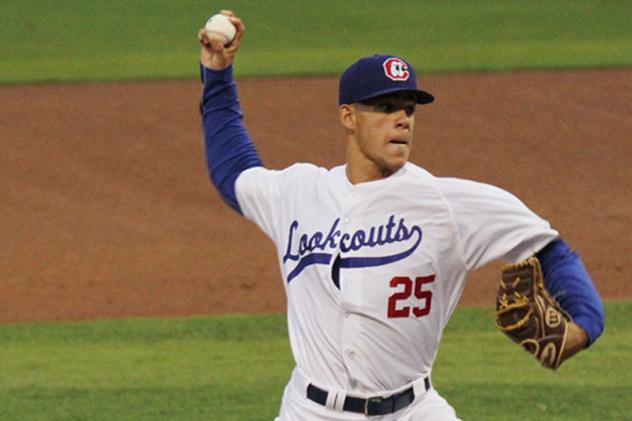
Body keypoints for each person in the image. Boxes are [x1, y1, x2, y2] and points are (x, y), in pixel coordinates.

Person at [197, 11, 604, 420]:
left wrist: (582, 328)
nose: (402, 119)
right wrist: (217, 75)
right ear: (348, 116)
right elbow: (232, 170)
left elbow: (551, 251)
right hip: (310, 410)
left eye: (409, 108)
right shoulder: (299, 193)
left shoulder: (448, 203)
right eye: (385, 106)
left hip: (413, 410)